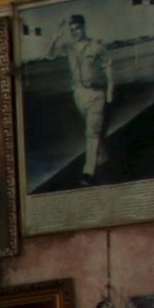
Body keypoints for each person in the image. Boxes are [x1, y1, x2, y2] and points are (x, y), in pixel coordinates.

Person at [61, 13, 113, 183]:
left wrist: (110, 89)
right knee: (93, 130)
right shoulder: (69, 48)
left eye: (77, 28)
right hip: (79, 94)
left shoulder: (96, 45)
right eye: (71, 30)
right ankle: (103, 156)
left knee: (91, 132)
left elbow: (107, 65)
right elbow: (49, 54)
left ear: (83, 27)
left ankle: (88, 171)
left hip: (96, 93)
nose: (74, 32)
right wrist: (57, 34)